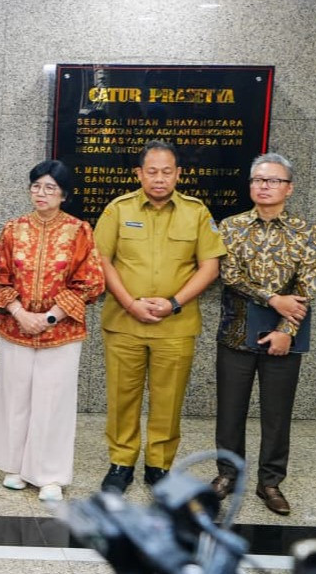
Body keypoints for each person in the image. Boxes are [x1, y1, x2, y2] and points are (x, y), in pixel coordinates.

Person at [94, 139, 226, 493]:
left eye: (167, 172)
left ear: (179, 174)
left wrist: (173, 302)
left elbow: (210, 266)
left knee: (168, 400)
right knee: (123, 396)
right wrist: (130, 303)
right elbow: (102, 261)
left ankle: (159, 467)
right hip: (124, 324)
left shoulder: (196, 213)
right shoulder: (117, 210)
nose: (159, 178)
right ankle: (121, 463)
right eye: (151, 171)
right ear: (139, 173)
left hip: (175, 325)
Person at [210, 153, 316, 515]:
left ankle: (270, 482)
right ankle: (228, 474)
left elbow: (307, 287)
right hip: (237, 330)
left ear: (288, 188)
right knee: (230, 410)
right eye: (258, 180)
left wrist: (286, 329)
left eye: (273, 180)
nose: (264, 186)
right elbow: (230, 276)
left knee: (277, 413)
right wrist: (273, 298)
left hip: (284, 338)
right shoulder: (230, 227)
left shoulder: (308, 232)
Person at [0, 160, 104, 502]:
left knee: (53, 402)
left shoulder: (80, 231)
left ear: (64, 194)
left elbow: (90, 282)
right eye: (36, 186)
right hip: (16, 327)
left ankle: (49, 474)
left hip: (60, 333)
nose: (42, 193)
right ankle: (16, 467)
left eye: (50, 187)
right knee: (15, 397)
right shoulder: (13, 229)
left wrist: (49, 317)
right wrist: (20, 312)